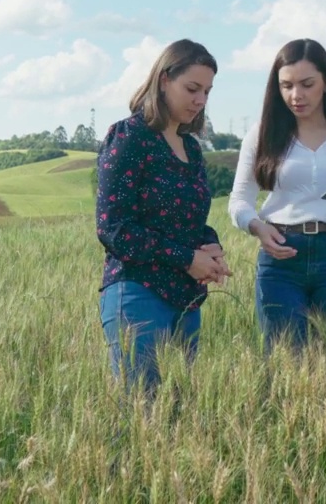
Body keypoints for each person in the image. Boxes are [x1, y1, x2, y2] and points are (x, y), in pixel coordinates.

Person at [228, 38, 326, 373]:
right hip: (281, 256)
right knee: (285, 364)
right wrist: (257, 227)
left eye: (306, 84)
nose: (296, 96)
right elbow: (240, 201)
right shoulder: (263, 133)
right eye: (286, 86)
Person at [96, 39, 232, 397]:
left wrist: (210, 244)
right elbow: (114, 228)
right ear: (163, 80)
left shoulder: (190, 147)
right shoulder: (129, 137)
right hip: (139, 293)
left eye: (207, 91)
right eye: (192, 88)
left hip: (187, 301)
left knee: (180, 419)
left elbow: (189, 219)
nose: (201, 100)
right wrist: (188, 258)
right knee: (142, 418)